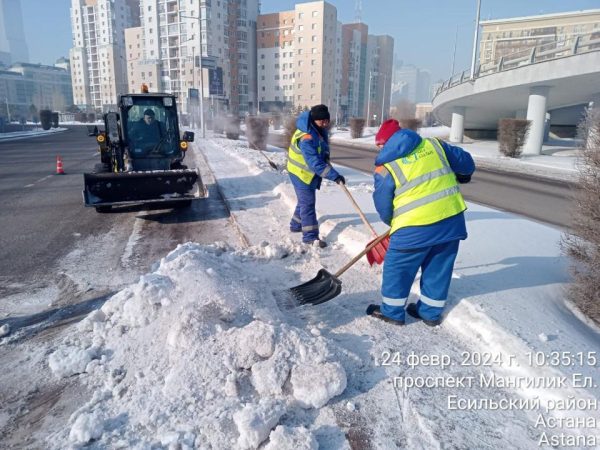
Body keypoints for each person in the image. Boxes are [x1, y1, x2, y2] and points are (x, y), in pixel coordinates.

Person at [366, 119, 475, 326]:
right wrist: (464, 174)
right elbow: (467, 163)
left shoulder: (385, 168)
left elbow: (383, 205)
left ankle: (392, 312)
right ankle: (430, 313)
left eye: (379, 144)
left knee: (398, 270)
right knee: (438, 268)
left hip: (413, 231)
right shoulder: (435, 145)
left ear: (386, 142)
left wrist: (394, 222)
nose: (378, 149)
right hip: (450, 223)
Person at [287, 104, 345, 248]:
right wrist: (334, 176)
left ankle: (295, 224)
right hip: (300, 173)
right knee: (308, 204)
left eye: (326, 120)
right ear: (314, 120)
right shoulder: (307, 137)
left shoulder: (317, 130)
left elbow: (321, 151)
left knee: (303, 201)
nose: (325, 123)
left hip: (305, 172)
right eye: (321, 121)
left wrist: (326, 159)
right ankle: (310, 238)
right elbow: (314, 163)